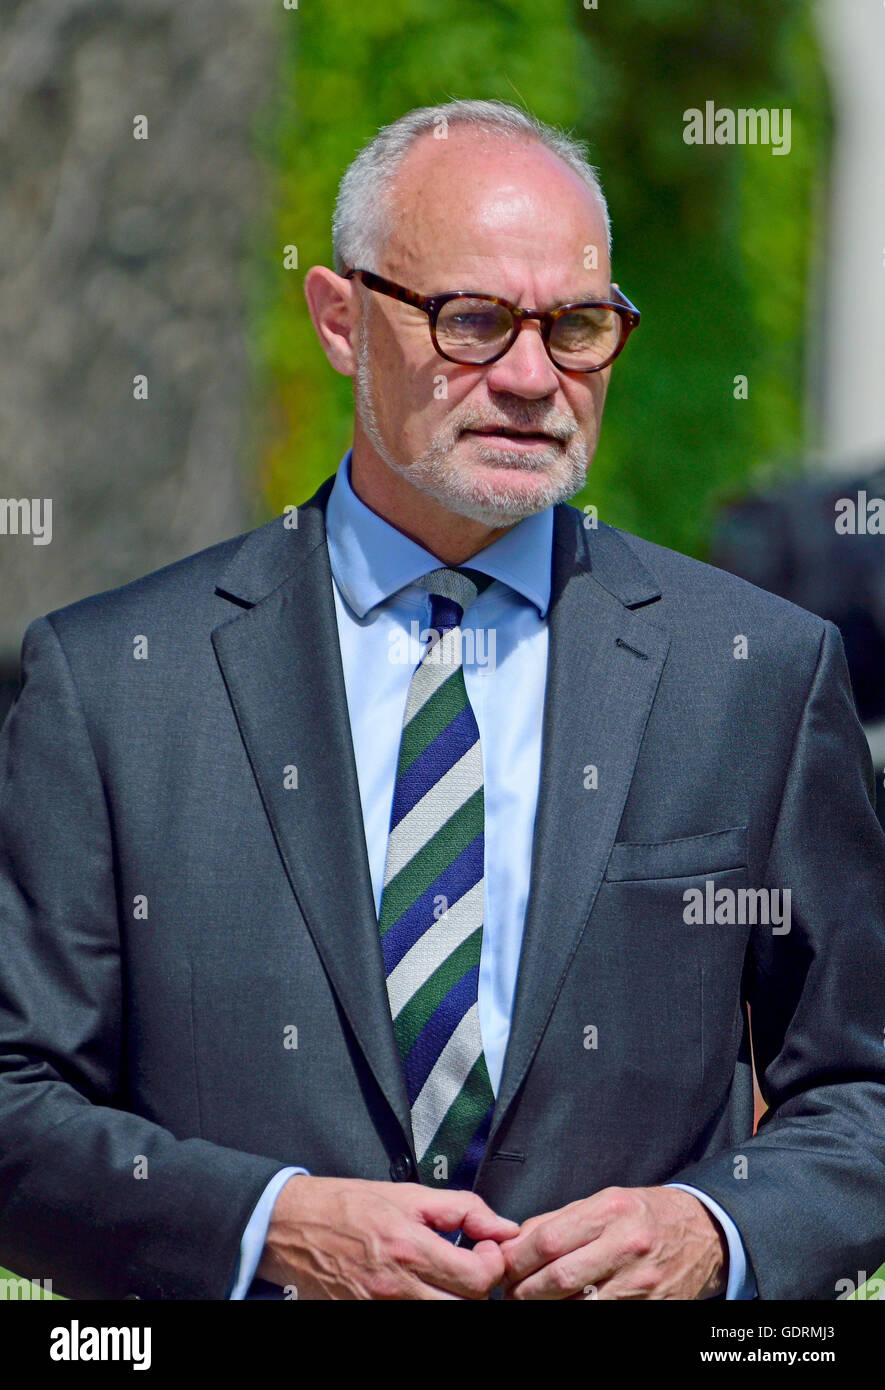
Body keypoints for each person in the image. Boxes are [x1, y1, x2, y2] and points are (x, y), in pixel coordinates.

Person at [1, 99, 883, 1302]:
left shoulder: (754, 674)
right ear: (340, 318)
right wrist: (268, 1227)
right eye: (472, 320)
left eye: (576, 326)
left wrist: (711, 1233)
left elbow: (865, 1087)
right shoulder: (113, 685)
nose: (532, 377)